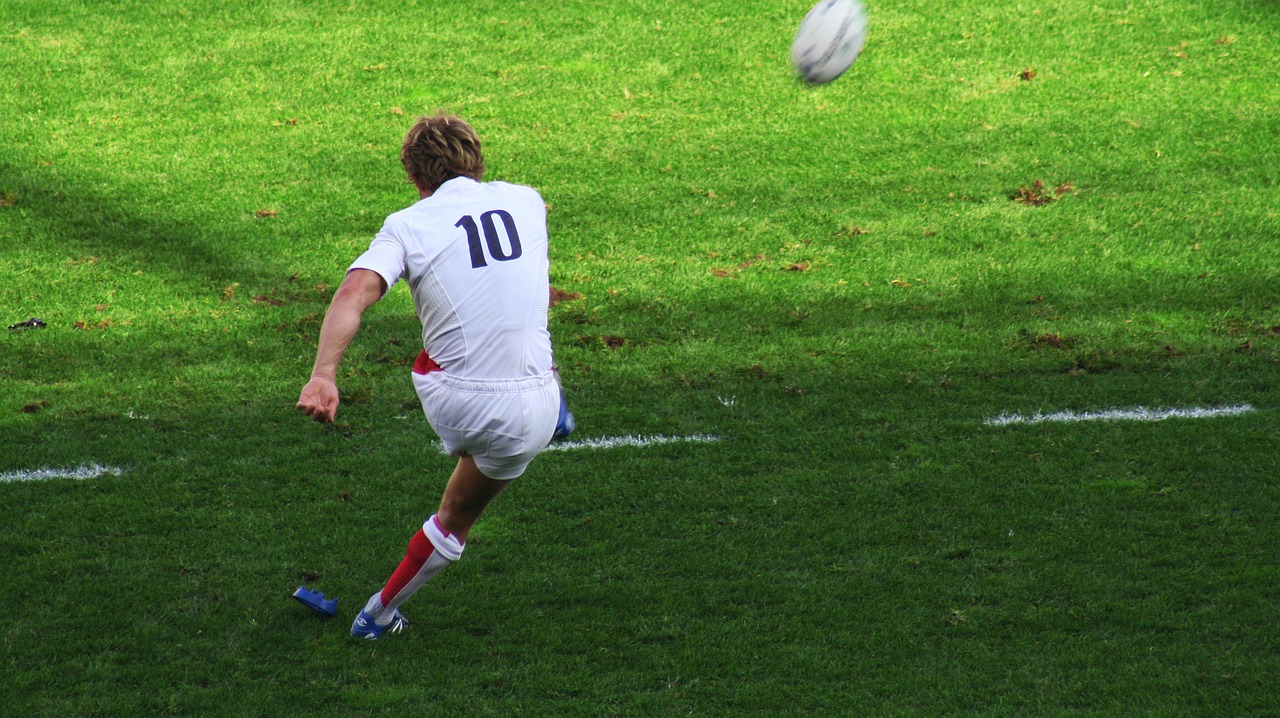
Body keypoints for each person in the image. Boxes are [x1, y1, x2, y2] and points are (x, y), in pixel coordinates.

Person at [296, 112, 571, 639]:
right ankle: (375, 616)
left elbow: (353, 294)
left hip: (457, 402)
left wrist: (323, 374)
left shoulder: (407, 224)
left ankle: (379, 617)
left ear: (416, 180)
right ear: (479, 160)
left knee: (439, 352)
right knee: (456, 519)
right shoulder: (527, 201)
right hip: (532, 409)